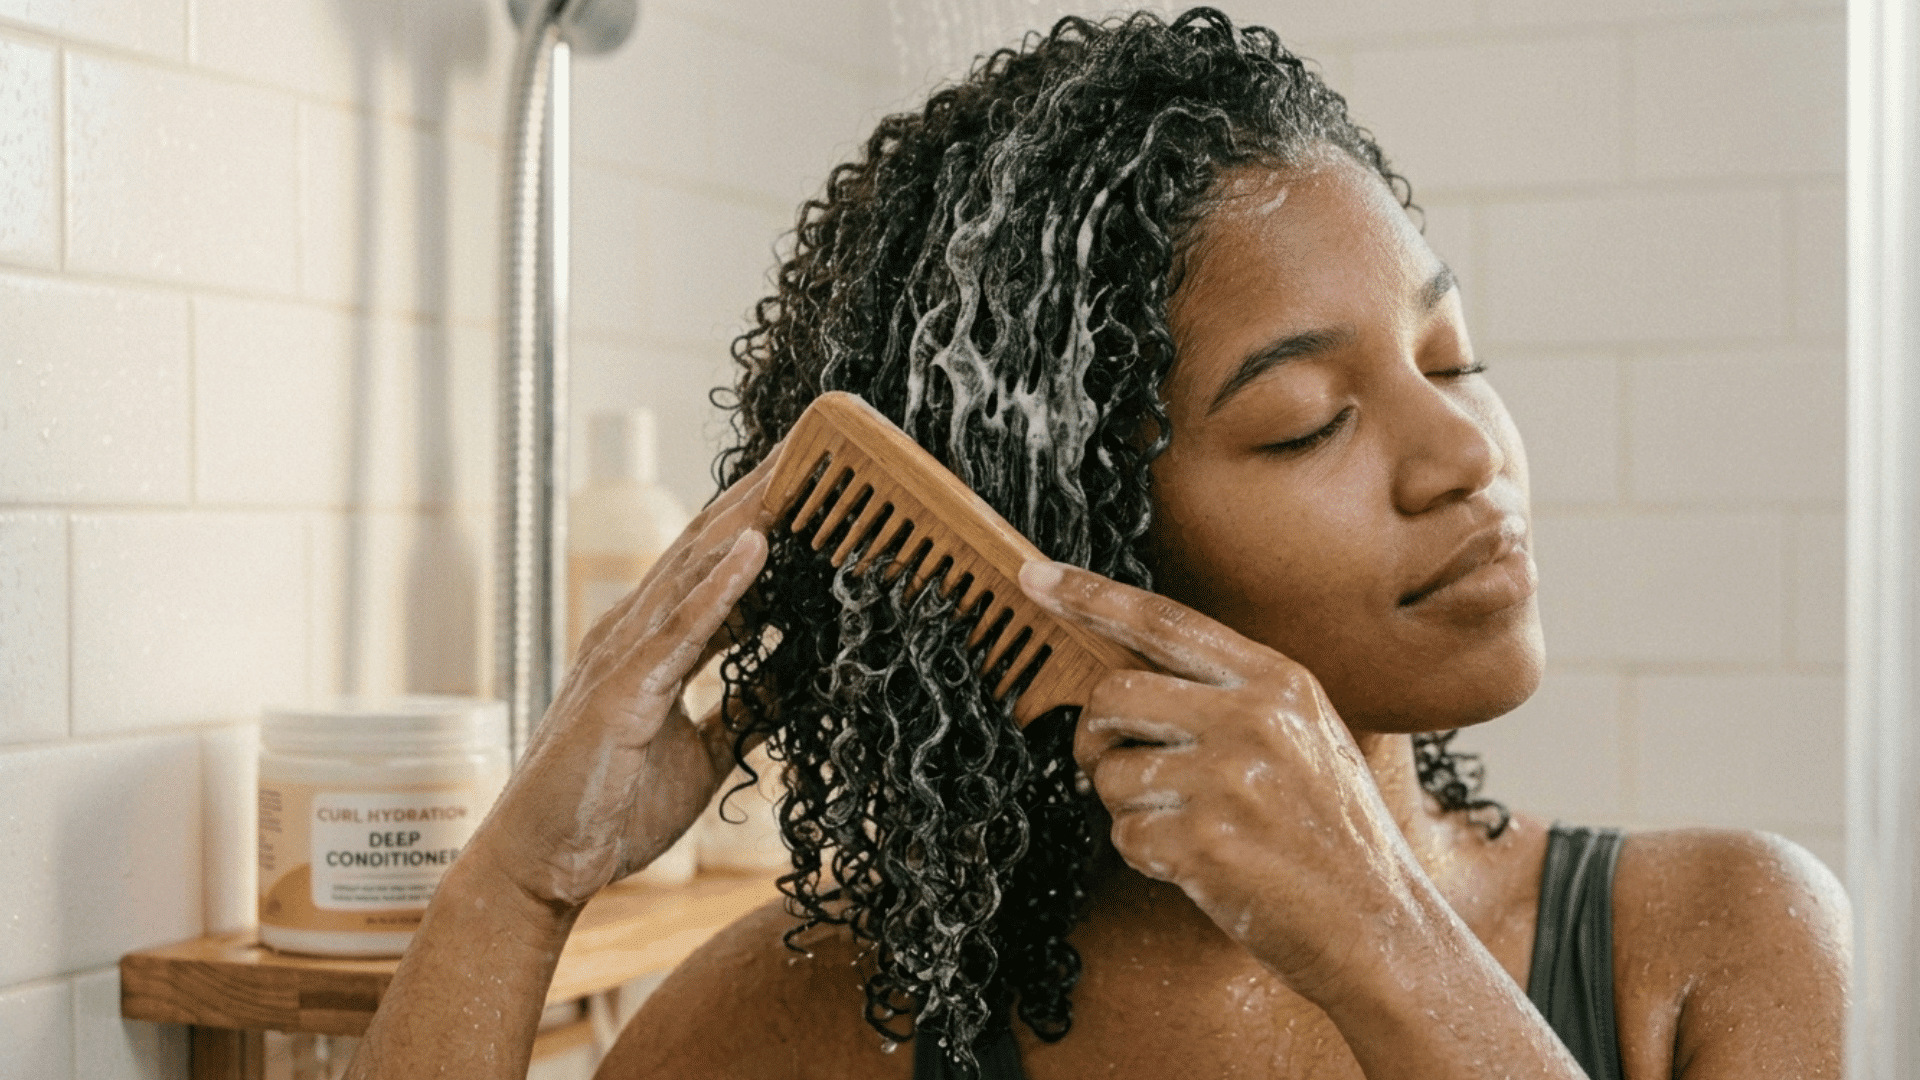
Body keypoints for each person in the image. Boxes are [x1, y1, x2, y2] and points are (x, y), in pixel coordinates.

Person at [344, 9, 1847, 1079]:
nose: (1469, 453)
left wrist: (1384, 937)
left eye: (1451, 359)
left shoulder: (1713, 945)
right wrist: (520, 884)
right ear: (1073, 537)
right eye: (1311, 419)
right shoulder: (825, 1028)